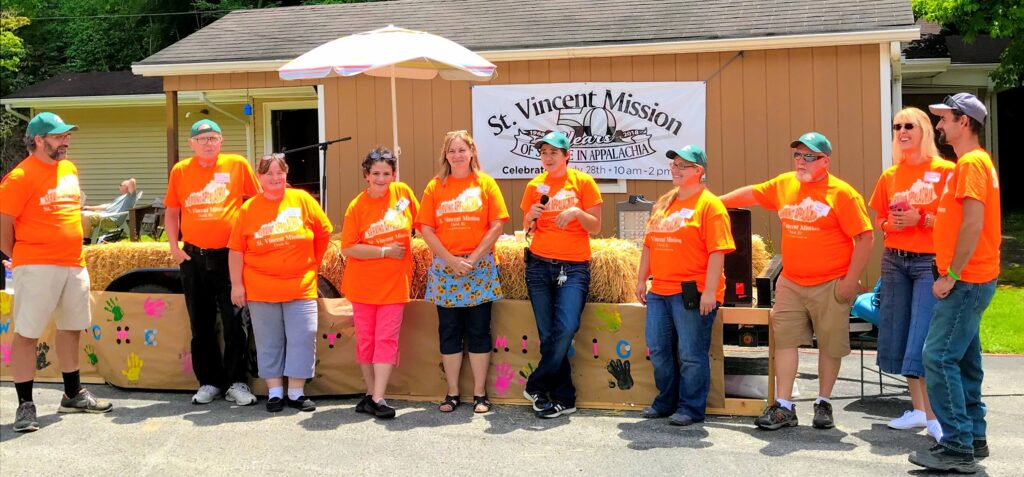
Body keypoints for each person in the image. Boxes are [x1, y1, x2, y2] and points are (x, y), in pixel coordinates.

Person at [720, 132, 873, 430]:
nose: (801, 162)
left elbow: (865, 238)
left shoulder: (842, 194)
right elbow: (751, 193)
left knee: (829, 345)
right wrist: (714, 203)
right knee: (785, 341)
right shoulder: (784, 184)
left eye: (809, 157)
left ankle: (823, 403)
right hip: (791, 281)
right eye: (798, 155)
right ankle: (784, 407)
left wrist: (849, 281)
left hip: (831, 282)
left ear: (825, 161)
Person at [0, 112, 113, 432]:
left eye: (66, 135)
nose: (66, 140)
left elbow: (69, 211)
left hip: (73, 263)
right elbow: (3, 226)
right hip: (36, 266)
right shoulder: (20, 177)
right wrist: (21, 257)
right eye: (59, 136)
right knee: (27, 334)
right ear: (39, 140)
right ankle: (25, 405)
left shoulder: (69, 169)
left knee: (72, 328)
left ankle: (73, 393)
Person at [909, 93, 1000, 473]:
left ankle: (957, 446)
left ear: (965, 122)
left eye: (945, 119)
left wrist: (952, 275)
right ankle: (974, 437)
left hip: (967, 280)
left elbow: (973, 224)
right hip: (973, 278)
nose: (940, 126)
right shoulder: (969, 164)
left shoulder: (972, 165)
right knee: (963, 359)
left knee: (938, 356)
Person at [868, 107, 953, 441]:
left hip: (929, 262)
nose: (902, 131)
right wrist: (892, 223)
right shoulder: (891, 175)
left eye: (909, 126)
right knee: (902, 334)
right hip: (894, 260)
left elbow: (955, 222)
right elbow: (879, 220)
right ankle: (919, 411)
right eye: (897, 126)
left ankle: (935, 417)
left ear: (925, 131)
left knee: (923, 336)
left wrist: (924, 220)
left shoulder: (946, 171)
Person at [635, 145, 734, 426]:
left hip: (692, 291)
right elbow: (649, 244)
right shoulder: (664, 202)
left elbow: (718, 252)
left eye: (682, 165)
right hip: (660, 290)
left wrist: (710, 292)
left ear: (698, 171)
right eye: (674, 164)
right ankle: (666, 401)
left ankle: (690, 407)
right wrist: (642, 278)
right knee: (658, 349)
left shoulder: (710, 206)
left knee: (691, 353)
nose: (675, 169)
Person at [164, 119, 259, 406]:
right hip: (194, 256)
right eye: (202, 138)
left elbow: (256, 203)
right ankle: (209, 382)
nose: (208, 143)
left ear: (221, 142)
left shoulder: (237, 164)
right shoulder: (181, 170)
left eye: (213, 138)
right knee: (201, 323)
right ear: (191, 144)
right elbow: (171, 212)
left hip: (229, 256)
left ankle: (236, 382)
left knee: (234, 322)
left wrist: (251, 243)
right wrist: (174, 247)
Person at [228, 153, 332, 413]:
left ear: (286, 175)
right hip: (261, 288)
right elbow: (236, 250)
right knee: (268, 340)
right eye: (268, 173)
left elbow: (324, 231)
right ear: (259, 177)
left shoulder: (303, 200)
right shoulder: (248, 209)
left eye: (279, 172)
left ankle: (296, 392)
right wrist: (236, 285)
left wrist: (313, 264)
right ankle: (275, 392)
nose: (275, 178)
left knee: (303, 336)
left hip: (300, 285)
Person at [416, 130, 509, 414]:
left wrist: (472, 258)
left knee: (479, 331)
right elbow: (426, 229)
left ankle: (480, 393)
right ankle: (453, 392)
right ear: (446, 155)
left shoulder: (486, 184)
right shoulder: (435, 187)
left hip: (478, 268)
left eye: (462, 150)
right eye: (452, 150)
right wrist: (450, 260)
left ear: (472, 153)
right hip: (446, 270)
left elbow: (497, 224)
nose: (457, 155)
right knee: (450, 331)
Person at [520, 131, 603, 418]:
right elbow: (527, 229)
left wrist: (578, 213)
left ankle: (535, 383)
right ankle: (563, 398)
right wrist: (530, 216)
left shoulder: (583, 182)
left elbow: (595, 227)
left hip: (574, 266)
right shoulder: (534, 185)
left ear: (568, 155)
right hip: (539, 264)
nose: (548, 156)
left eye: (554, 152)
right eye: (544, 152)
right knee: (548, 335)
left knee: (566, 327)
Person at [341, 147, 419, 419]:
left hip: (395, 284)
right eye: (376, 173)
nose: (381, 179)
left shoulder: (404, 195)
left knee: (386, 339)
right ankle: (371, 393)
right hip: (363, 285)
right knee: (366, 341)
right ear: (366, 175)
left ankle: (378, 397)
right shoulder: (357, 206)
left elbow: (420, 224)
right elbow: (348, 248)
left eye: (387, 173)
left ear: (394, 174)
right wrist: (384, 252)